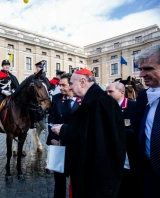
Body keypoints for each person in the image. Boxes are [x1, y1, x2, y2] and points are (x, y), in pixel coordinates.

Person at [51, 68, 126, 198]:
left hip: (96, 175)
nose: (70, 87)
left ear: (83, 82)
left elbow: (92, 137)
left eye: (72, 84)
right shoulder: (94, 101)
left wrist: (63, 130)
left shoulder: (99, 102)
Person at [133, 44, 160, 198]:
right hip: (148, 173)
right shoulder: (144, 96)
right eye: (140, 69)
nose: (141, 74)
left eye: (148, 68)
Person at [47, 73, 81, 198]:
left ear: (71, 85)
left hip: (75, 147)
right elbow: (51, 119)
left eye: (63, 85)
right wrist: (53, 138)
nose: (60, 88)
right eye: (59, 85)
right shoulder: (56, 98)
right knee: (59, 181)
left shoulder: (82, 100)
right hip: (58, 144)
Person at [106, 82, 137, 198]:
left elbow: (137, 130)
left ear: (122, 92)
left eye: (111, 92)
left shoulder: (133, 106)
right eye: (106, 92)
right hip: (110, 157)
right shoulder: (105, 107)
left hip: (128, 157)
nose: (107, 94)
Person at [29, 61, 50, 128]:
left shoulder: (43, 77)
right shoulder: (33, 76)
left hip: (42, 97)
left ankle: (40, 121)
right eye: (37, 67)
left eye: (40, 67)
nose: (38, 68)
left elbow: (47, 87)